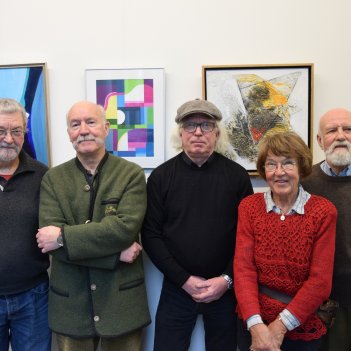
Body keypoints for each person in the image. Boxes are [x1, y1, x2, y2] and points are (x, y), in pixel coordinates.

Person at [36, 100, 150, 351]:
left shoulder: (131, 174)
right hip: (70, 307)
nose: (83, 130)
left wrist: (63, 236)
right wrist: (115, 255)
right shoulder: (53, 179)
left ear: (106, 128)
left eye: (91, 122)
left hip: (121, 304)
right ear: (68, 133)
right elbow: (49, 243)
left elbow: (124, 230)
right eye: (75, 124)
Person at [141, 98, 253, 351]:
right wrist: (184, 279)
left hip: (225, 290)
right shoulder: (161, 177)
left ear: (217, 133)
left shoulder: (237, 177)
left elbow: (248, 237)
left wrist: (226, 279)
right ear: (180, 133)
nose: (198, 132)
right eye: (191, 125)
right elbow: (150, 235)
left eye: (206, 125)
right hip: (177, 288)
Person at [234, 130, 337, 351]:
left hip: (303, 323)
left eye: (288, 163)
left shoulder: (323, 211)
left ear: (301, 167)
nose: (279, 172)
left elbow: (320, 282)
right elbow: (244, 270)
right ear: (264, 170)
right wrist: (256, 326)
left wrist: (278, 327)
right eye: (271, 164)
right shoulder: (249, 207)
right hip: (254, 322)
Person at [0, 98, 51, 351]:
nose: (9, 139)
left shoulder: (43, 175)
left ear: (24, 134)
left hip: (33, 296)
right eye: (1, 131)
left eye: (16, 131)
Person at [301, 108, 351, 351]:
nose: (341, 136)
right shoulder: (304, 182)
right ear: (320, 140)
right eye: (332, 130)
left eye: (348, 129)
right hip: (318, 301)